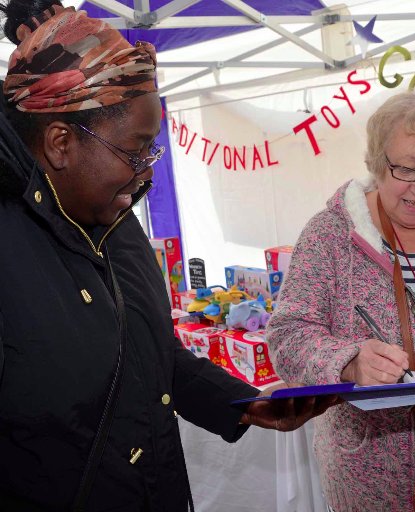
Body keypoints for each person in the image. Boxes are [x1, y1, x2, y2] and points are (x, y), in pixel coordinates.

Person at [0, 1, 338, 510]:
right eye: (136, 150)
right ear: (60, 143)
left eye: (153, 150)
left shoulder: (117, 224)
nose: (147, 172)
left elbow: (149, 353)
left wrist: (242, 403)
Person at [266, 91, 415, 511]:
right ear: (378, 162)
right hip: (366, 474)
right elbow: (288, 335)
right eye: (405, 169)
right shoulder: (329, 236)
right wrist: (348, 360)